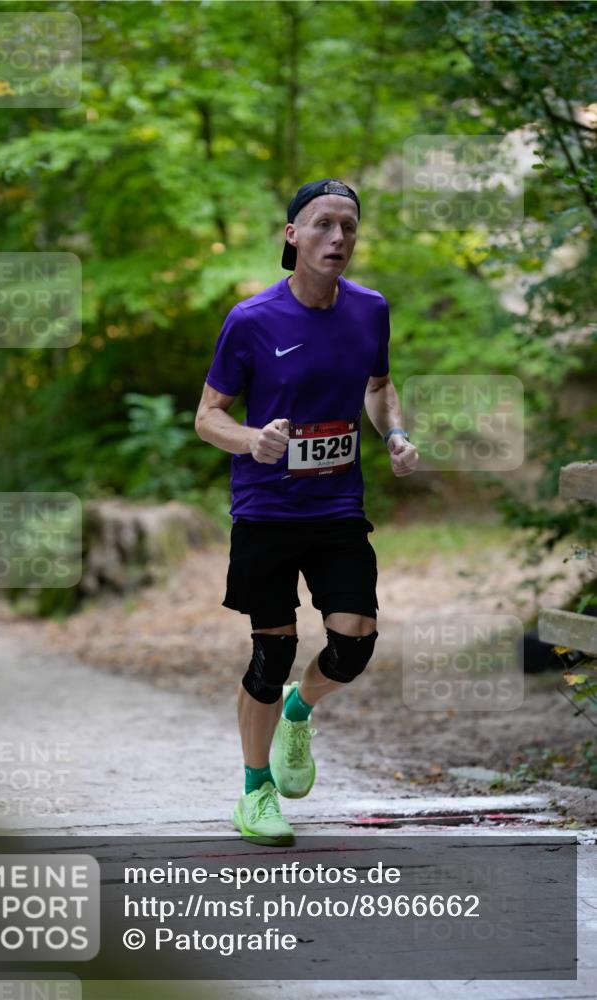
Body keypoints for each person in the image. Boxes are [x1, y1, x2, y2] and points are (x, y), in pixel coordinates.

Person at [195, 178, 418, 846]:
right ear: (292, 236)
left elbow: (378, 388)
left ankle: (301, 709)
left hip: (337, 505)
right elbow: (207, 416)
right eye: (322, 225)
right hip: (265, 509)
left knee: (353, 645)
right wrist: (249, 440)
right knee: (272, 653)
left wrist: (395, 432)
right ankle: (255, 792)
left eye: (347, 227)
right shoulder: (252, 320)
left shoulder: (370, 310)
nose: (338, 239)